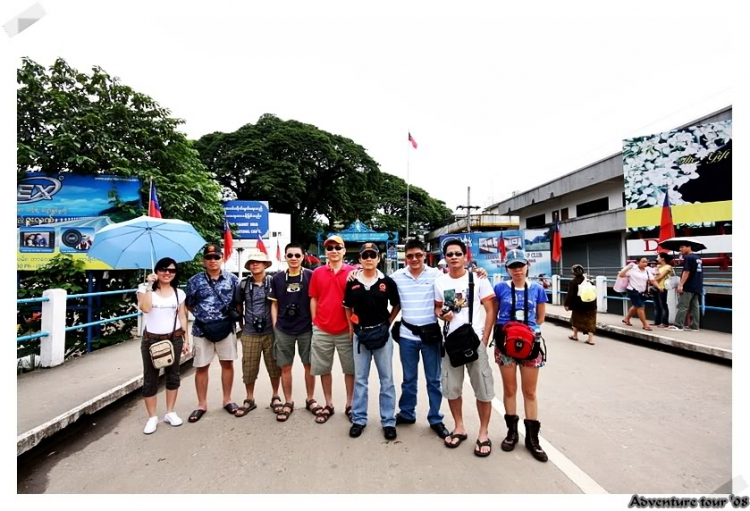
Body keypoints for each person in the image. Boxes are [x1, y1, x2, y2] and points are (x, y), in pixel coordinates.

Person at [434, 238, 497, 457]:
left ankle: (483, 433)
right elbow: (437, 308)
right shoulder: (440, 282)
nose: (453, 257)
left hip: (474, 341)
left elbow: (491, 310)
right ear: (445, 258)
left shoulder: (478, 279)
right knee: (452, 389)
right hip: (451, 342)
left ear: (465, 256)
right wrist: (442, 314)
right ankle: (459, 427)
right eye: (449, 254)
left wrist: (484, 339)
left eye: (457, 253)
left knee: (483, 390)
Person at [389, 239, 450, 439]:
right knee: (409, 379)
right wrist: (354, 273)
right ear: (404, 257)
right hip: (406, 336)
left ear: (425, 255)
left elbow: (458, 280)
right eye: (409, 256)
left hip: (430, 335)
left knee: (433, 380)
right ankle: (407, 413)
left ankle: (435, 418)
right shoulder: (397, 276)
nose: (414, 259)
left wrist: (479, 274)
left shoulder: (437, 275)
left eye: (418, 255)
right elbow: (377, 282)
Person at [494, 249, 549, 462]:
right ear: (507, 268)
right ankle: (512, 432)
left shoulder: (537, 289)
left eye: (520, 265)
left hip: (530, 344)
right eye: (512, 266)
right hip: (505, 343)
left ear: (527, 266)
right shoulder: (500, 288)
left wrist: (524, 333)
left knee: (530, 391)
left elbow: (540, 317)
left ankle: (533, 438)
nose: (517, 270)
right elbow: (495, 313)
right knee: (509, 389)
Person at [344, 243, 401, 439]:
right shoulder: (352, 282)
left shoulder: (387, 282)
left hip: (382, 336)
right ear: (359, 259)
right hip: (360, 336)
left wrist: (389, 321)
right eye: (365, 255)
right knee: (360, 380)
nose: (369, 258)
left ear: (379, 258)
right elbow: (348, 307)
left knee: (387, 380)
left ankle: (388, 421)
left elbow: (396, 304)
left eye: (372, 255)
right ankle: (358, 419)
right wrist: (351, 327)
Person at [185, 244, 240, 422]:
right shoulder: (194, 281)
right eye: (209, 258)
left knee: (227, 364)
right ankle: (201, 404)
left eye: (216, 257)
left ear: (222, 259)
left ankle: (227, 400)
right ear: (203, 261)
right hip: (202, 329)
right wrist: (205, 317)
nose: (213, 261)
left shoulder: (232, 280)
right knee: (201, 367)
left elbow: (238, 303)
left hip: (226, 328)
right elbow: (189, 304)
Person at [137, 257, 190, 434]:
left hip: (174, 338)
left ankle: (170, 412)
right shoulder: (144, 290)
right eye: (163, 269)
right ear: (157, 271)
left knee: (173, 375)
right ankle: (152, 417)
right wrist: (148, 286)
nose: (167, 273)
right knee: (150, 377)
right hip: (151, 339)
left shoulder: (179, 293)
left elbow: (182, 316)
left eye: (172, 270)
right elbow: (145, 308)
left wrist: (186, 340)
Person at [269, 243, 320, 421]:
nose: (293, 258)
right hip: (284, 328)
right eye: (290, 255)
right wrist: (275, 325)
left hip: (306, 327)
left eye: (297, 255)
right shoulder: (277, 278)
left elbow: (316, 299)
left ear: (303, 257)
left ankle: (310, 398)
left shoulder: (310, 275)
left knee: (309, 365)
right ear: (285, 257)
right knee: (285, 366)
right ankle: (288, 401)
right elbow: (274, 303)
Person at [308, 235, 356, 424]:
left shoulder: (353, 272)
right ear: (325, 252)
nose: (334, 251)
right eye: (330, 248)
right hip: (322, 328)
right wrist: (314, 322)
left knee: (350, 369)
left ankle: (350, 404)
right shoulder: (318, 272)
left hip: (346, 329)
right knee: (323, 368)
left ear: (344, 250)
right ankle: (328, 403)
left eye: (338, 247)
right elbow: (314, 297)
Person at [233, 252, 283, 418]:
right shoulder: (243, 284)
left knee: (274, 366)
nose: (255, 265)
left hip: (271, 331)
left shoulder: (273, 282)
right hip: (249, 332)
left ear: (265, 265)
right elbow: (239, 304)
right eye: (252, 262)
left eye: (259, 262)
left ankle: (275, 396)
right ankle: (249, 398)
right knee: (249, 367)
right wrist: (241, 322)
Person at [667, 244, 703, 332]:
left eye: (682, 247)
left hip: (689, 285)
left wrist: (681, 284)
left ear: (689, 247)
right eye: (680, 247)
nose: (680, 249)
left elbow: (686, 272)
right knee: (695, 306)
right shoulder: (698, 258)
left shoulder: (688, 258)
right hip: (697, 285)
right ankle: (694, 326)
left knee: (683, 305)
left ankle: (678, 325)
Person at [564, 264, 597, 345]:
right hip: (591, 304)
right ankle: (590, 339)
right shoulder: (589, 280)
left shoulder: (574, 282)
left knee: (575, 319)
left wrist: (566, 304)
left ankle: (575, 335)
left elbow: (570, 294)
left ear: (573, 273)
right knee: (591, 321)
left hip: (579, 305)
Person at [618, 257, 653, 331]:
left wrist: (659, 287)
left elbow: (652, 280)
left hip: (642, 291)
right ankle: (645, 325)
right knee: (641, 306)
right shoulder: (632, 269)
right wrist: (628, 267)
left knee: (636, 306)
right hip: (632, 290)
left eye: (646, 262)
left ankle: (626, 319)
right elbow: (621, 275)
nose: (645, 263)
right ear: (638, 262)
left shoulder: (647, 270)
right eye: (643, 262)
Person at [650, 253, 675, 328]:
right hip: (655, 287)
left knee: (663, 305)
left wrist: (652, 280)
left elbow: (660, 277)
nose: (657, 259)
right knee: (656, 305)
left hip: (662, 287)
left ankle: (665, 322)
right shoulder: (659, 267)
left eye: (658, 257)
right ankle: (657, 321)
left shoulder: (668, 267)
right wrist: (657, 269)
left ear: (663, 259)